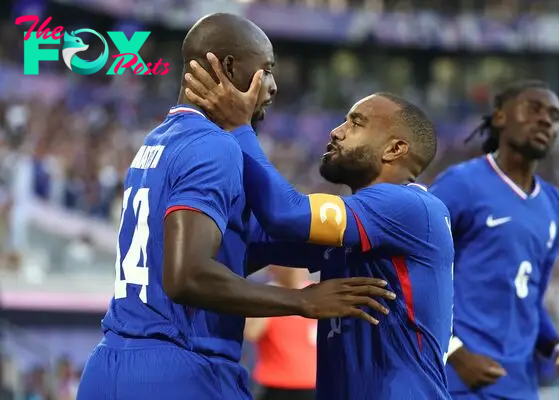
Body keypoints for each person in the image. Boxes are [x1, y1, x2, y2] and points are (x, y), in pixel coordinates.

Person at [76, 13, 395, 400]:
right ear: (228, 68)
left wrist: (339, 240)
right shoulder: (215, 145)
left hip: (110, 365)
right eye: (266, 70)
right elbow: (187, 275)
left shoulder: (158, 141)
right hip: (181, 370)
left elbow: (235, 248)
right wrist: (302, 301)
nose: (273, 86)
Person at [183, 58, 455, 399]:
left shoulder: (412, 208)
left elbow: (287, 214)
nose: (336, 131)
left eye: (356, 123)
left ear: (395, 148)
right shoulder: (358, 227)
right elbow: (250, 243)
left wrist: (240, 127)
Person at [429, 80, 559, 399]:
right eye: (534, 109)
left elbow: (529, 298)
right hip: (456, 380)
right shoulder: (461, 184)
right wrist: (456, 353)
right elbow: (415, 273)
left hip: (519, 385)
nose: (546, 119)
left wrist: (556, 346)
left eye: (555, 115)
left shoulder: (555, 206)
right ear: (500, 117)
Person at [245, 266, 317, 400]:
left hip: (312, 384)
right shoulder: (267, 297)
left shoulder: (314, 294)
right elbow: (251, 332)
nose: (296, 271)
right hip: (276, 385)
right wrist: (272, 294)